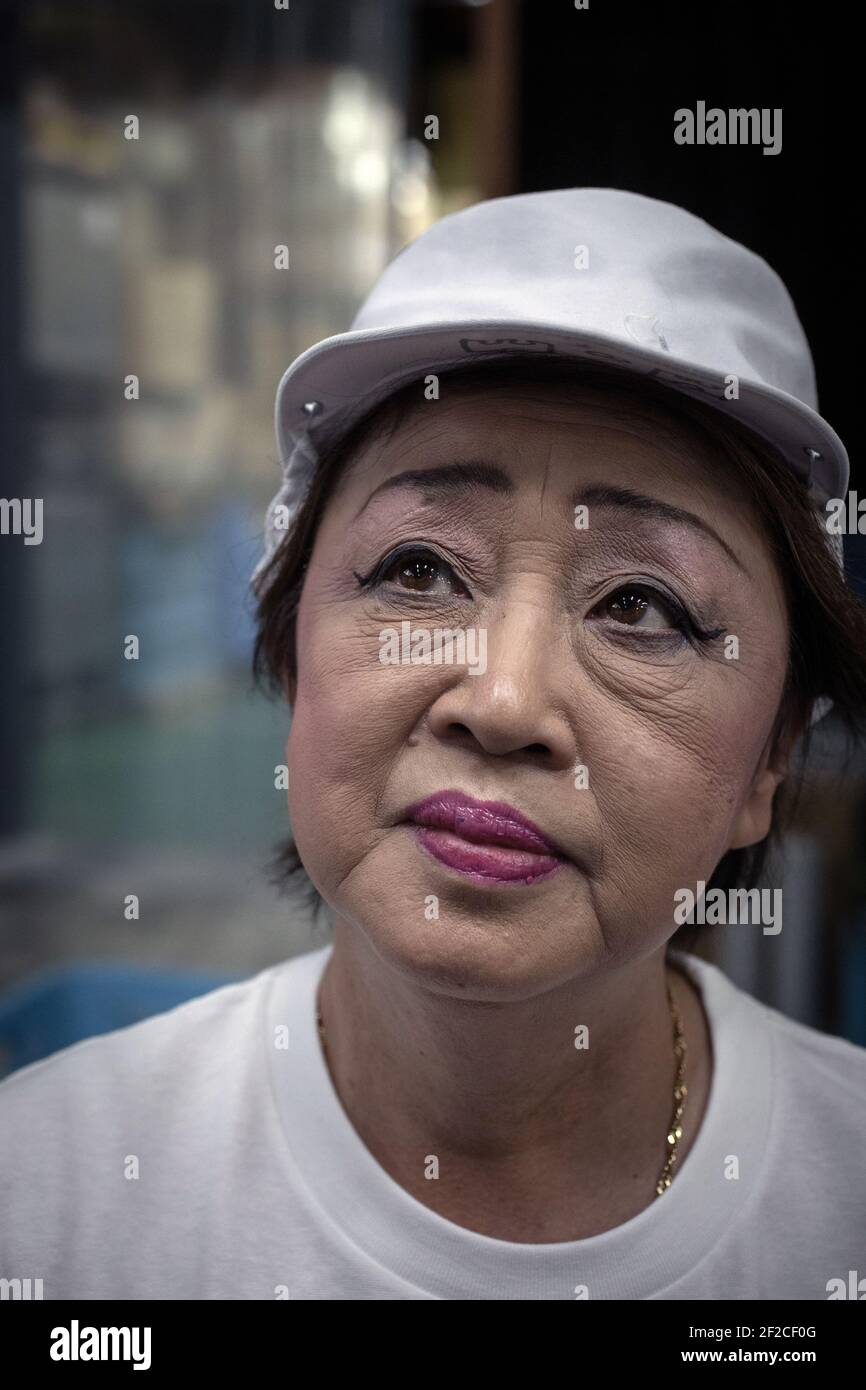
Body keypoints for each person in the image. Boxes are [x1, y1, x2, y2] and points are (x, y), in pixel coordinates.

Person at [2, 188, 865, 1301]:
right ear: (290, 643)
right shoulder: (47, 1203)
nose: (501, 702)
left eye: (642, 606)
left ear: (768, 761)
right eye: (418, 570)